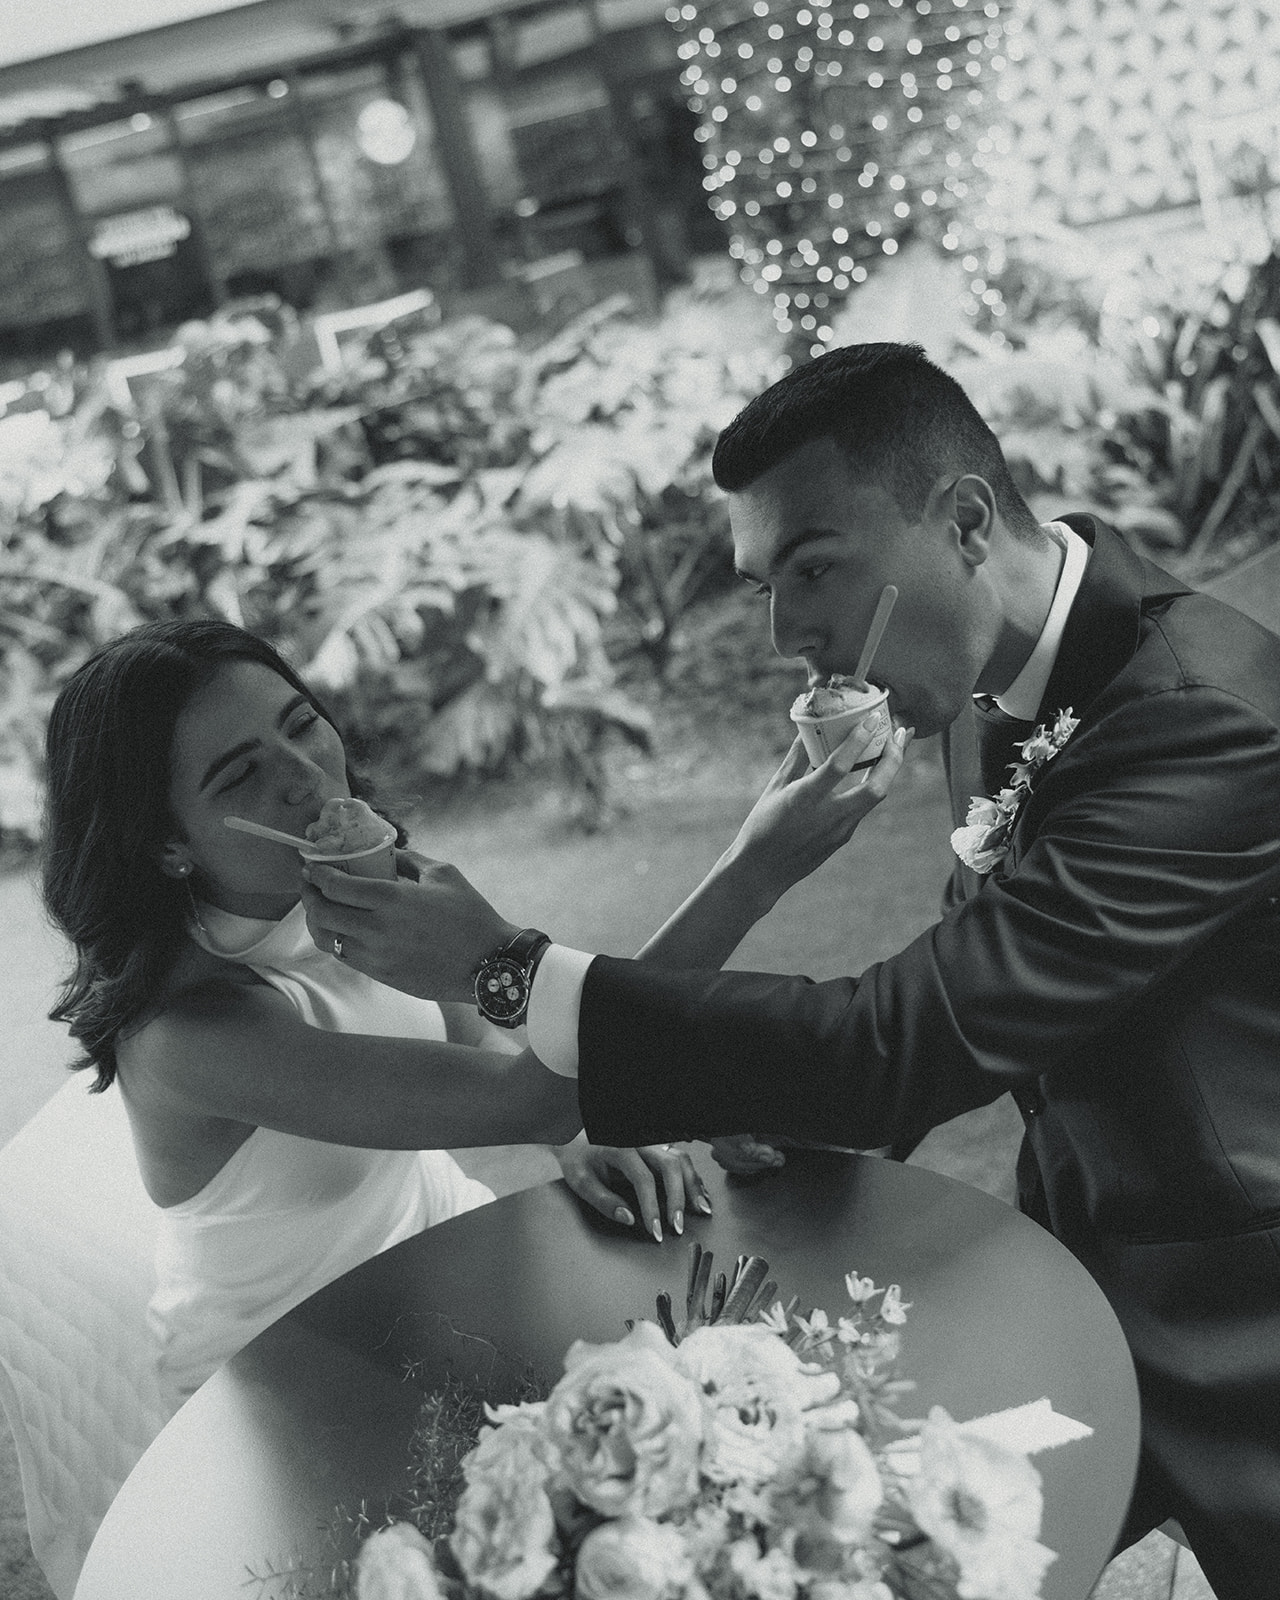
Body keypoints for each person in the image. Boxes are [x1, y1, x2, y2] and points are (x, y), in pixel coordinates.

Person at [299, 342, 1280, 1600]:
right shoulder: (987, 679)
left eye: (814, 569)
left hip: (1241, 1303)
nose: (784, 634)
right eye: (765, 584)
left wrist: (503, 969)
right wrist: (763, 1089)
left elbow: (910, 1039)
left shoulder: (1204, 718)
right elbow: (998, 993)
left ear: (966, 520)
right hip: (1081, 1257)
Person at [40, 619, 713, 1405]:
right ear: (166, 846)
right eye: (238, 776)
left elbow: (483, 1037)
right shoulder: (189, 1033)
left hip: (445, 1261)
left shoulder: (364, 888)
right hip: (290, 1374)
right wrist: (754, 867)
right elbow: (536, 1090)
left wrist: (568, 1140)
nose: (306, 778)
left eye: (300, 724)